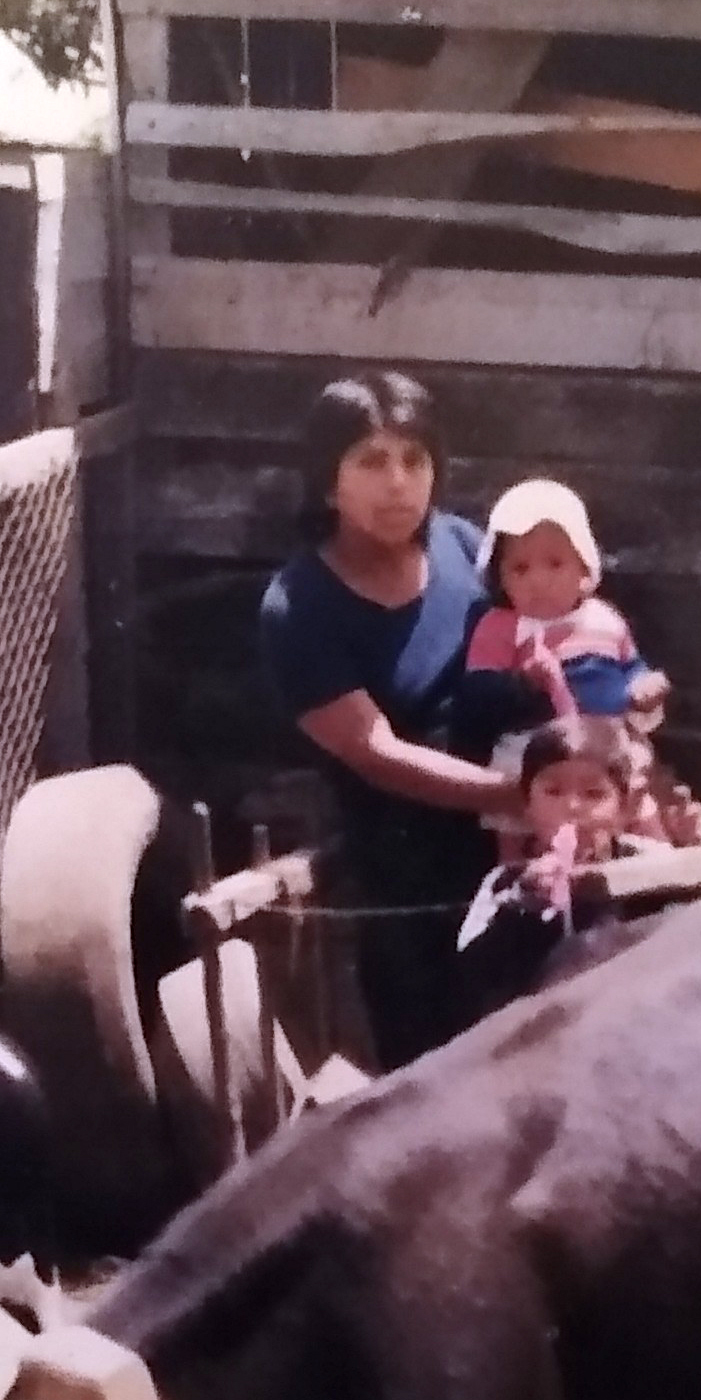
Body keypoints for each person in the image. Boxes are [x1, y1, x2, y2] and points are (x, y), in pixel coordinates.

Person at [259, 373, 513, 1068]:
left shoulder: (468, 548)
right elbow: (374, 751)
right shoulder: (300, 606)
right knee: (437, 1073)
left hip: (519, 856)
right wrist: (510, 795)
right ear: (326, 480)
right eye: (372, 461)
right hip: (409, 881)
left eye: (415, 459)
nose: (398, 483)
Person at [451, 478, 669, 767]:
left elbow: (630, 669)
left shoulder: (606, 620)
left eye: (555, 563)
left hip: (610, 750)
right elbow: (477, 698)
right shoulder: (501, 627)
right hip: (533, 761)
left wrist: (646, 689)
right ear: (500, 578)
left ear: (583, 567)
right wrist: (523, 683)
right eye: (520, 568)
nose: (539, 581)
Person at [452, 715, 655, 1023]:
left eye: (594, 794)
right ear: (527, 804)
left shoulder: (651, 869)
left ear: (623, 808)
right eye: (554, 791)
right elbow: (473, 975)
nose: (572, 806)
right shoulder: (506, 884)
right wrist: (523, 908)